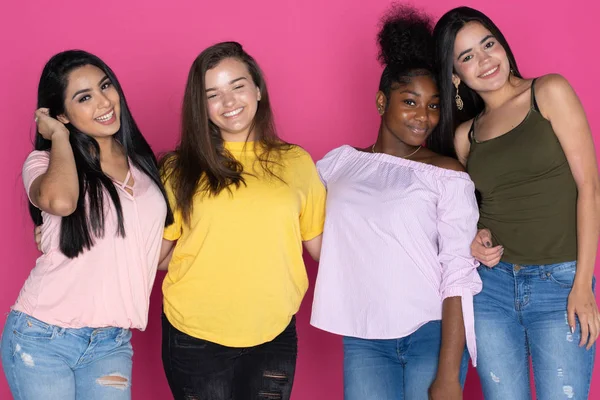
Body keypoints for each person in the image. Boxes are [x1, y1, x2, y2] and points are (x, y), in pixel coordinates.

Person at [310, 6, 482, 400]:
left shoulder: (447, 173)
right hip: (363, 335)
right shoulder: (338, 163)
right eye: (410, 101)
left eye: (434, 105)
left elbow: (457, 271)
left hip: (429, 331)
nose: (423, 116)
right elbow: (298, 217)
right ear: (381, 102)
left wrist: (448, 374)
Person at [434, 7, 600, 399]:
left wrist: (582, 284)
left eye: (488, 44)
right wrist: (476, 236)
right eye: (468, 56)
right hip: (491, 290)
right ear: (456, 75)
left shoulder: (548, 93)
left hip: (559, 283)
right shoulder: (465, 137)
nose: (485, 60)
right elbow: (468, 213)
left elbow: (589, 188)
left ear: (502, 45)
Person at [0, 50, 173, 400]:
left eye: (105, 86)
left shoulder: (144, 167)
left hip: (111, 343)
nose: (103, 102)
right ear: (62, 114)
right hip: (43, 337)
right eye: (84, 97)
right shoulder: (44, 162)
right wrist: (59, 138)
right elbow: (61, 202)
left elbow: (153, 257)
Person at [158, 41, 326, 400]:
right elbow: (157, 256)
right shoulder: (178, 168)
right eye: (213, 94)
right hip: (195, 337)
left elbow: (319, 246)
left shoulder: (296, 162)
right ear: (200, 107)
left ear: (258, 89)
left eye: (237, 86)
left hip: (274, 334)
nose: (229, 102)